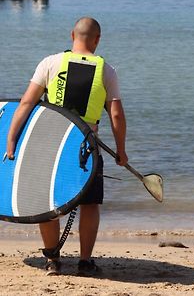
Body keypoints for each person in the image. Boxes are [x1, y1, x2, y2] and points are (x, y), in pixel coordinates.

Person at [6, 17, 128, 276]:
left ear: (72, 35)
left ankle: (52, 259)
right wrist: (121, 150)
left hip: (50, 143)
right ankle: (85, 261)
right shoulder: (106, 70)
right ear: (97, 40)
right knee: (90, 203)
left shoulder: (50, 63)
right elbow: (116, 115)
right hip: (87, 146)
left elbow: (26, 103)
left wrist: (11, 138)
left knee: (49, 201)